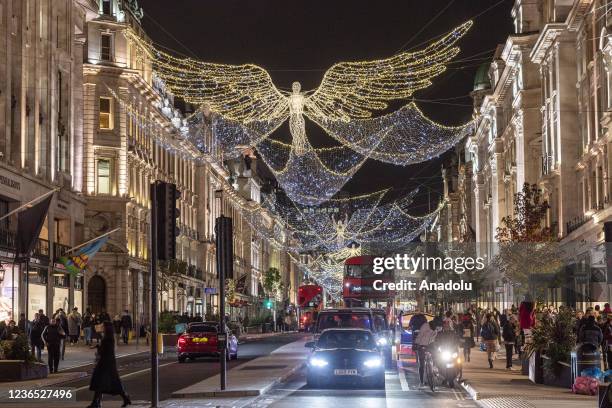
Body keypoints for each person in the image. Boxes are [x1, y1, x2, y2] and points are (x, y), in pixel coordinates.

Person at [87, 321, 131, 408]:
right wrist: (97, 346)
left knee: (105, 382)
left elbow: (105, 350)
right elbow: (104, 348)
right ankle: (96, 403)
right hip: (107, 362)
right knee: (103, 383)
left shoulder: (108, 338)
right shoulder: (108, 337)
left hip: (106, 363)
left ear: (106, 328)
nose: (102, 327)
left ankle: (96, 403)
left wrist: (99, 350)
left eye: (103, 326)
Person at [414, 320, 438, 387]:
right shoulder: (425, 326)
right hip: (422, 344)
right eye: (434, 327)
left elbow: (436, 337)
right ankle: (421, 381)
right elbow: (420, 335)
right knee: (421, 364)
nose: (435, 328)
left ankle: (435, 368)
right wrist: (416, 344)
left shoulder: (436, 328)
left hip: (430, 345)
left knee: (437, 355)